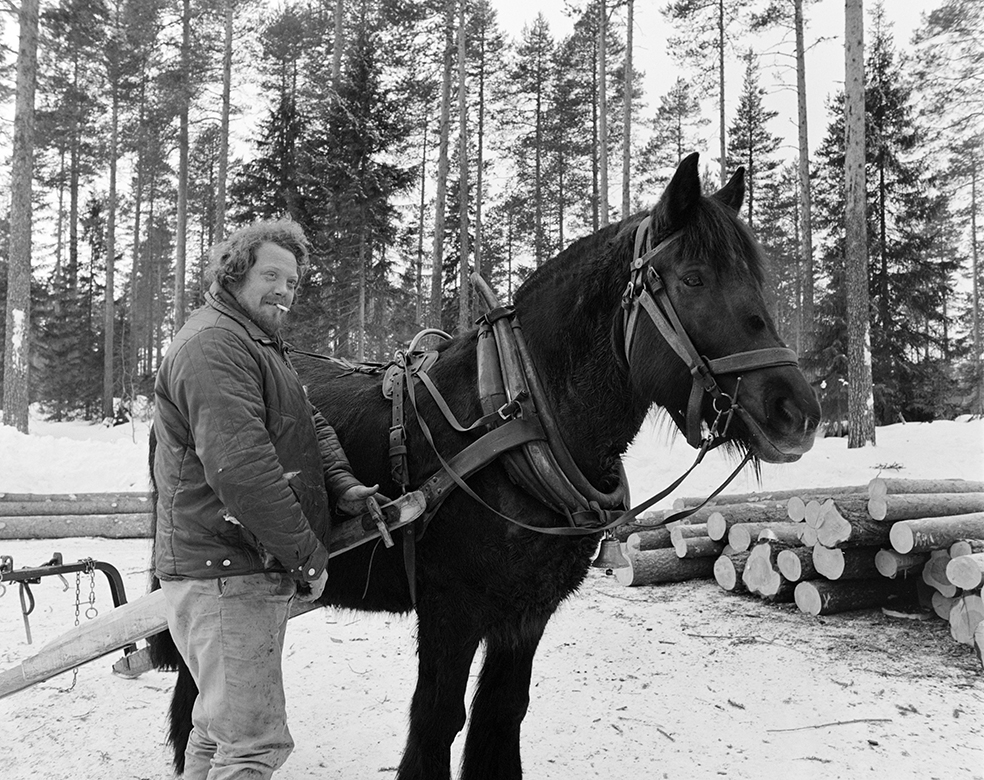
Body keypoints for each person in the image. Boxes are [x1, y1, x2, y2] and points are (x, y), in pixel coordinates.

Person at [152, 218, 378, 779]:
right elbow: (243, 470)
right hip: (227, 571)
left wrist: (343, 485)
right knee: (254, 745)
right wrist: (309, 556)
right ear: (234, 273)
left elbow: (310, 424)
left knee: (214, 728)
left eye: (293, 281)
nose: (284, 289)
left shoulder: (254, 344)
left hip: (234, 567)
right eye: (271, 274)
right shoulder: (214, 346)